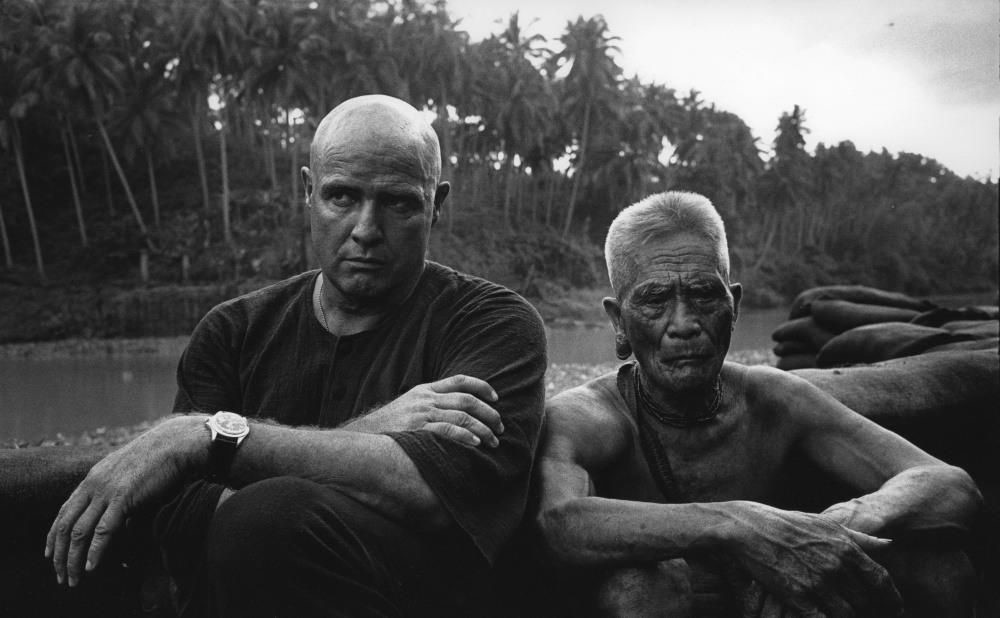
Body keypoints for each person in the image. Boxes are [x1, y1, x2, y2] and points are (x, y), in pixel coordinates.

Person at [44, 95, 547, 617]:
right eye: (341, 197)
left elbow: (440, 493)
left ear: (436, 203)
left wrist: (205, 438)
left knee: (266, 516)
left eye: (399, 203)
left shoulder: (492, 323)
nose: (366, 230)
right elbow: (185, 515)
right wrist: (377, 435)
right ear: (308, 191)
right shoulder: (233, 331)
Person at [533, 191, 981, 617]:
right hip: (685, 603)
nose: (684, 324)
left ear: (735, 306)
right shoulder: (587, 415)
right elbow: (560, 522)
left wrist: (831, 529)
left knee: (937, 568)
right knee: (638, 591)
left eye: (705, 294)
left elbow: (948, 484)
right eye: (655, 300)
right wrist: (739, 526)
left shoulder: (774, 398)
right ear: (618, 323)